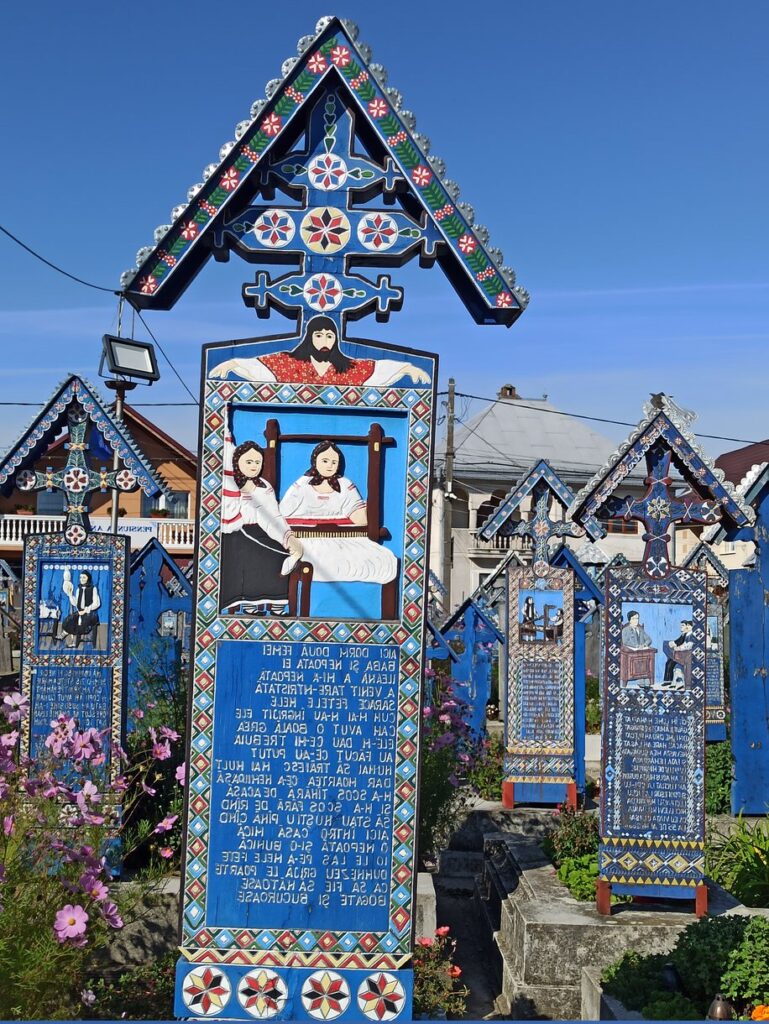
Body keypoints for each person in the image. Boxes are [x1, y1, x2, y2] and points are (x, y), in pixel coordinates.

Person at [278, 440, 398, 584]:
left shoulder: (344, 485)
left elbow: (360, 519)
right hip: (306, 539)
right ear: (315, 461)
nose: (330, 465)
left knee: (381, 560)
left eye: (334, 462)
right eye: (325, 460)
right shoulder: (302, 484)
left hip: (342, 539)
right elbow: (283, 511)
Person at [210, 314, 430, 387]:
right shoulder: (289, 364)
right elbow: (261, 365)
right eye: (318, 335)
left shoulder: (347, 368)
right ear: (309, 338)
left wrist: (407, 368)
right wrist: (233, 363)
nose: (324, 340)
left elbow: (375, 369)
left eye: (329, 335)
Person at [220, 438, 303, 614]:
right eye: (248, 461)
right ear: (237, 461)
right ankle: (250, 605)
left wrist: (288, 538)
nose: (253, 466)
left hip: (261, 531)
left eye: (257, 462)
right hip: (236, 533)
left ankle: (278, 605)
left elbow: (273, 516)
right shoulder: (231, 486)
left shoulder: (264, 487)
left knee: (277, 553)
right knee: (244, 557)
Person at [61, 570, 101, 648]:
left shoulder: (93, 588)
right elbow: (75, 603)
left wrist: (86, 610)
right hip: (80, 612)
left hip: (90, 613)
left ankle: (71, 638)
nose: (81, 579)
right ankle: (66, 634)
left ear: (88, 578)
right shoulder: (78, 589)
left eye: (84, 577)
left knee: (79, 621)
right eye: (80, 577)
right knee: (70, 619)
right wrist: (70, 595)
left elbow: (96, 604)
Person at [663, 620, 694, 684]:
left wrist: (677, 647)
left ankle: (672, 656)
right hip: (681, 653)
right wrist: (674, 644)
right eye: (687, 625)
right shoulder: (686, 634)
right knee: (669, 662)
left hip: (685, 655)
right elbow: (680, 642)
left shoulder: (690, 635)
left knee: (670, 660)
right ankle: (668, 681)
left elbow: (687, 645)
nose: (687, 627)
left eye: (688, 625)